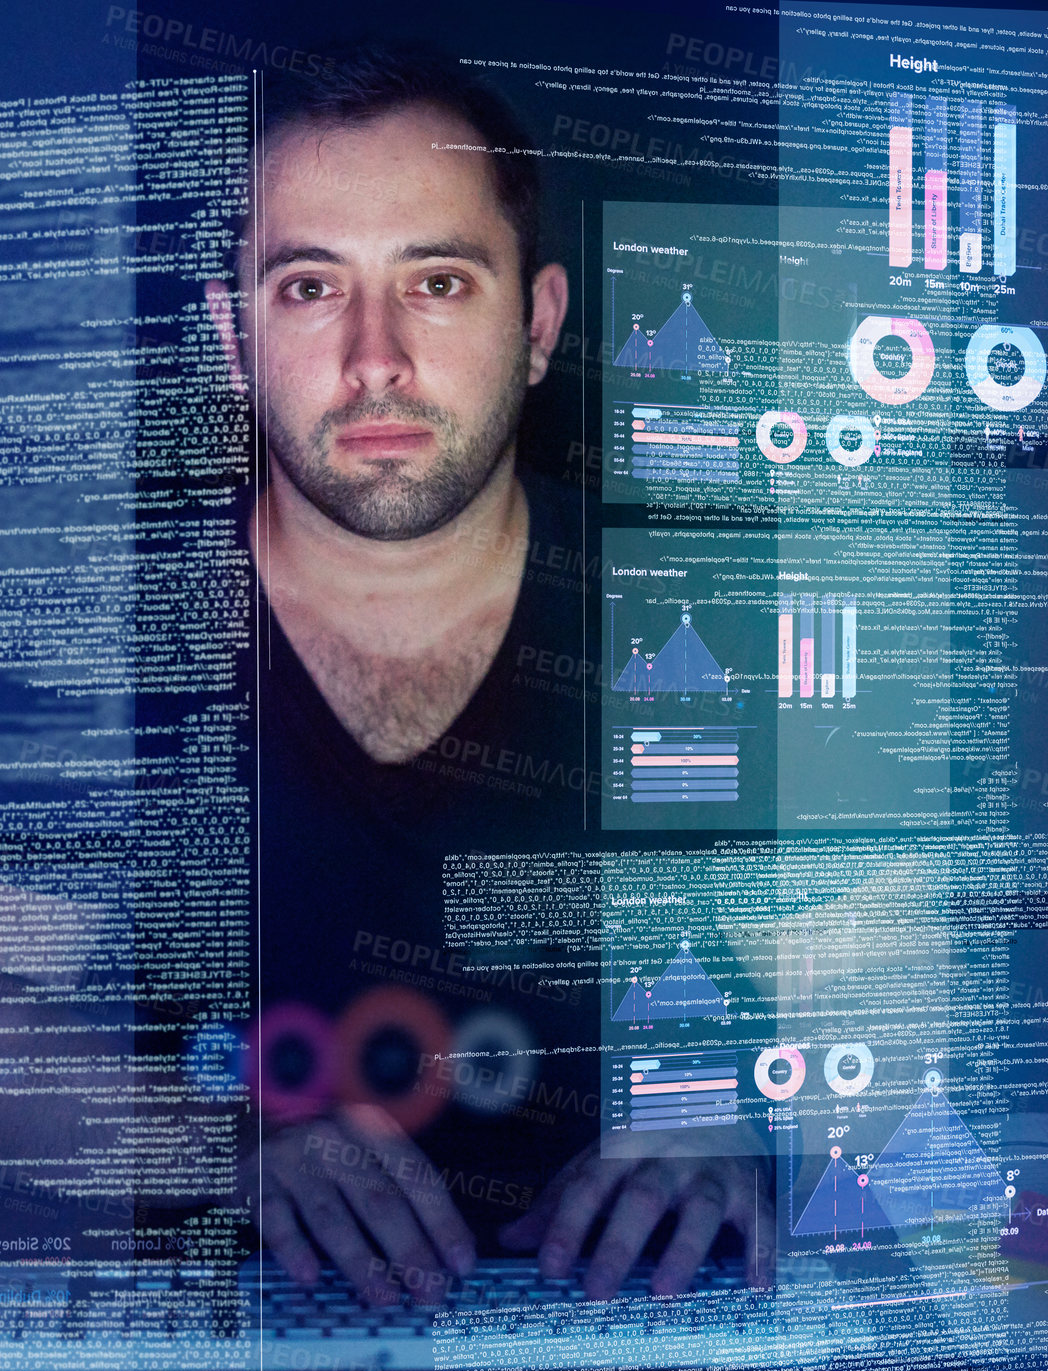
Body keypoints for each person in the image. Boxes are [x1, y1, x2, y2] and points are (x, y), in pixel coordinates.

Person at [207, 45, 771, 1307]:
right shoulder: (104, 641)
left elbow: (905, 979)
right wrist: (216, 1144)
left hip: (637, 1367)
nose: (376, 361)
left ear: (540, 325)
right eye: (308, 288)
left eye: (441, 281)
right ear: (232, 338)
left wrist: (740, 1116)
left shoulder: (721, 628)